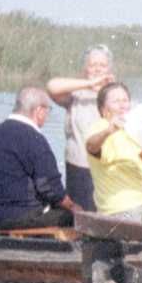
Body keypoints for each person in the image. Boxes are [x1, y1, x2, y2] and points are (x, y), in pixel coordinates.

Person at [0, 87, 76, 230]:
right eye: (48, 110)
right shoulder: (34, 139)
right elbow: (50, 188)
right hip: (22, 217)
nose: (47, 115)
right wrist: (74, 208)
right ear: (39, 111)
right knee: (72, 216)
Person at [46, 45, 114, 211]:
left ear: (110, 68)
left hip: (108, 167)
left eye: (102, 65)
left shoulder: (117, 95)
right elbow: (51, 86)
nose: (97, 69)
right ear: (85, 69)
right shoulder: (75, 96)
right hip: (80, 167)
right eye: (92, 65)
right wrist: (90, 84)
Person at [83, 81, 142, 219]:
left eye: (125, 100)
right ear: (104, 109)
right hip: (123, 208)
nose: (123, 105)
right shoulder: (101, 127)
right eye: (116, 101)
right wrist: (108, 131)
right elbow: (91, 146)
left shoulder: (131, 131)